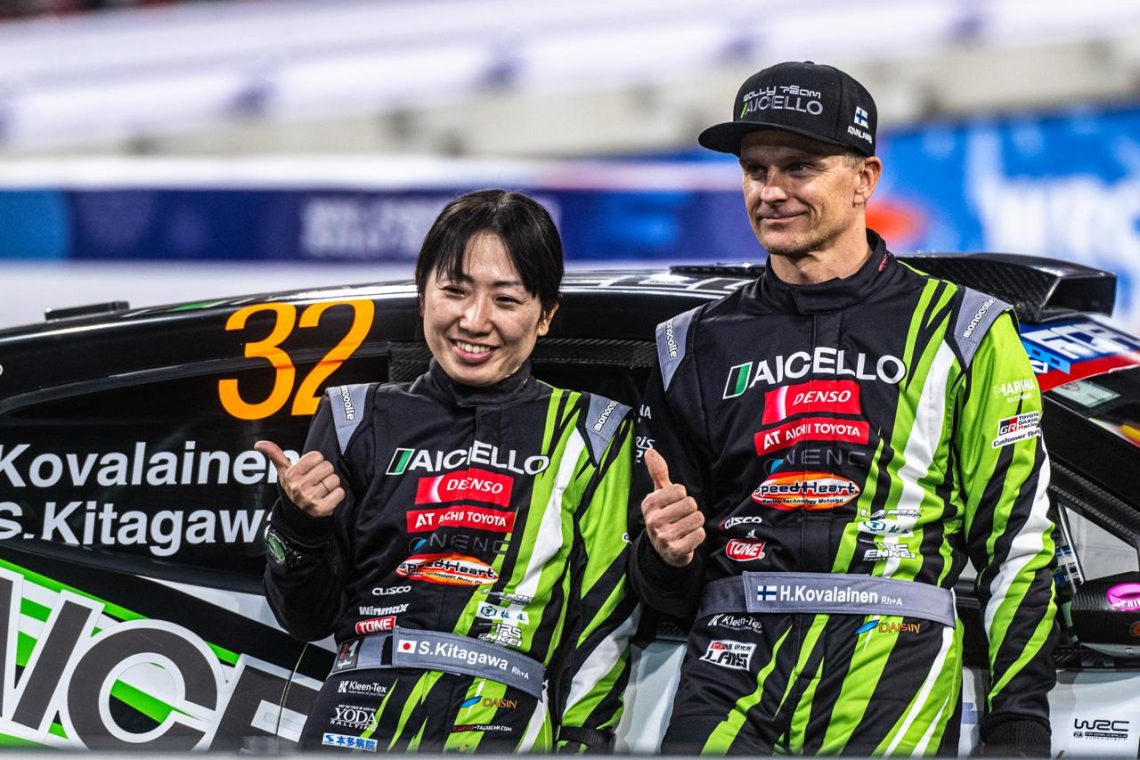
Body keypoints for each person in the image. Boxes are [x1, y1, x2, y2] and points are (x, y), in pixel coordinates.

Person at [631, 61, 1057, 756]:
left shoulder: (965, 330)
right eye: (755, 170)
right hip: (727, 681)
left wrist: (1018, 721)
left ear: (865, 178)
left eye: (799, 167)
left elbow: (1019, 543)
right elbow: (661, 587)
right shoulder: (691, 343)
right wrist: (666, 557)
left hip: (892, 676)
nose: (771, 192)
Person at [257, 189, 639, 753]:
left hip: (503, 727)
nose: (474, 320)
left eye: (505, 300)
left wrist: (582, 744)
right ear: (423, 295)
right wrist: (297, 525)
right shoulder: (353, 416)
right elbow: (304, 617)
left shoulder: (594, 431)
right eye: (455, 291)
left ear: (546, 315)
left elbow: (602, 626)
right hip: (354, 720)